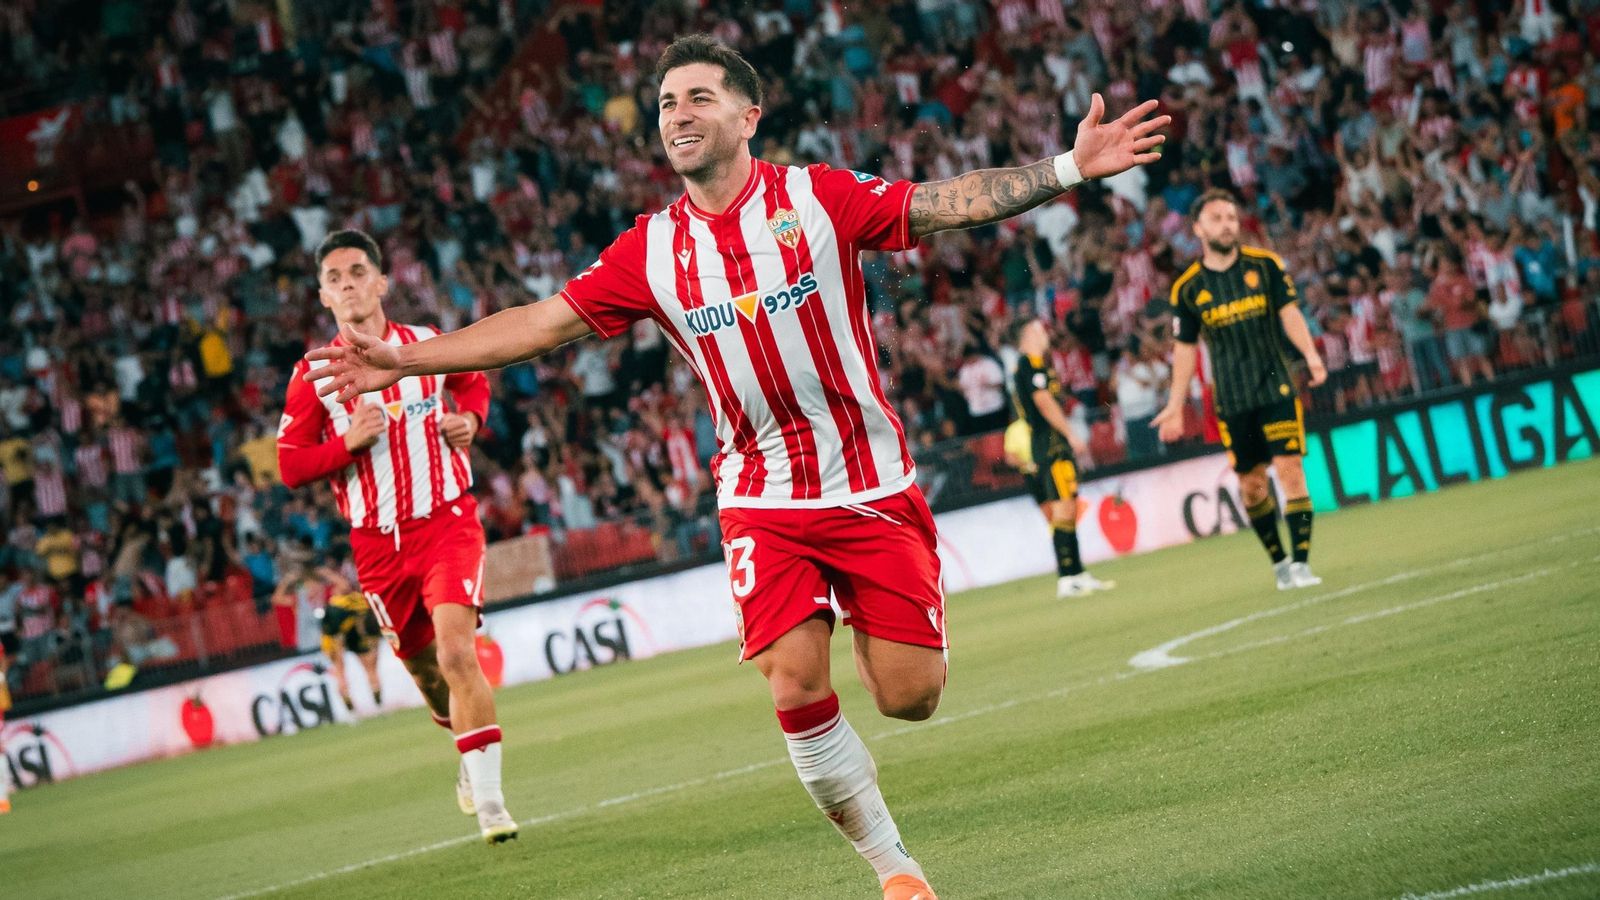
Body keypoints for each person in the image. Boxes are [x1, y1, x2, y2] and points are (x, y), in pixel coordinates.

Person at [306, 34, 1165, 897]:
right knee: (793, 681)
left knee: (911, 697)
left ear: (748, 116)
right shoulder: (650, 250)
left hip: (870, 483)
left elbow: (942, 203)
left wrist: (1066, 168)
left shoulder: (818, 198)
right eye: (667, 104)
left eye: (697, 99)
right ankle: (895, 869)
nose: (677, 115)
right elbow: (541, 322)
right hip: (760, 495)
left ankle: (875, 641)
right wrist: (407, 360)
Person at [276, 228, 515, 844]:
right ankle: (466, 752)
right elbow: (290, 464)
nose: (348, 284)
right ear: (323, 297)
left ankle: (491, 804)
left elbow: (473, 381)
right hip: (377, 544)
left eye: (358, 271)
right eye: (335, 278)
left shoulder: (427, 345)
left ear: (382, 282)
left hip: (446, 519)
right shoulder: (313, 375)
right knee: (427, 672)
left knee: (457, 651)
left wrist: (471, 419)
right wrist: (346, 444)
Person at [1152, 189, 1328, 591]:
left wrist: (1312, 357)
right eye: (1216, 218)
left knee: (1291, 470)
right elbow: (1184, 350)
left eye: (1231, 217)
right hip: (1231, 400)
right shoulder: (1188, 289)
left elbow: (1290, 313)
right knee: (1252, 486)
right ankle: (1280, 562)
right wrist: (1176, 404)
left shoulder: (1266, 266)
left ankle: (1301, 564)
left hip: (1277, 388)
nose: (1227, 224)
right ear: (1198, 229)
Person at [1010, 318, 1116, 598]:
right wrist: (1070, 434)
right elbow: (1043, 403)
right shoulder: (1029, 364)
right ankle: (1067, 577)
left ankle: (1077, 573)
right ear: (1029, 334)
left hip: (1052, 443)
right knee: (1062, 510)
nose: (1046, 334)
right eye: (1040, 330)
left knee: (1068, 508)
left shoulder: (1035, 365)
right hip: (1051, 444)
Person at [310, 547, 384, 713]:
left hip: (337, 632)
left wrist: (324, 573)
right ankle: (374, 695)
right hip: (350, 631)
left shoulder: (335, 602)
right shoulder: (353, 599)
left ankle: (350, 699)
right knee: (367, 666)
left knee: (340, 668)